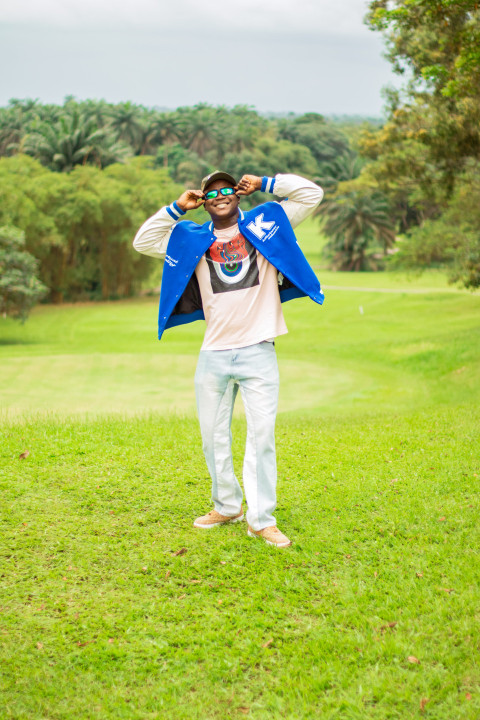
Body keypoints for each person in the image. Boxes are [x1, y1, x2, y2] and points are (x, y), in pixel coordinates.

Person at [133, 171, 324, 547]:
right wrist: (176, 209)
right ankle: (227, 505)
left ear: (236, 193)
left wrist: (266, 183)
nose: (219, 195)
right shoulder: (191, 239)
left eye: (226, 188)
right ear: (203, 200)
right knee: (213, 435)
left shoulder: (267, 223)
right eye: (211, 192)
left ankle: (261, 519)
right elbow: (143, 241)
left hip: (258, 350)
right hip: (214, 353)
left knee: (261, 436)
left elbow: (310, 193)